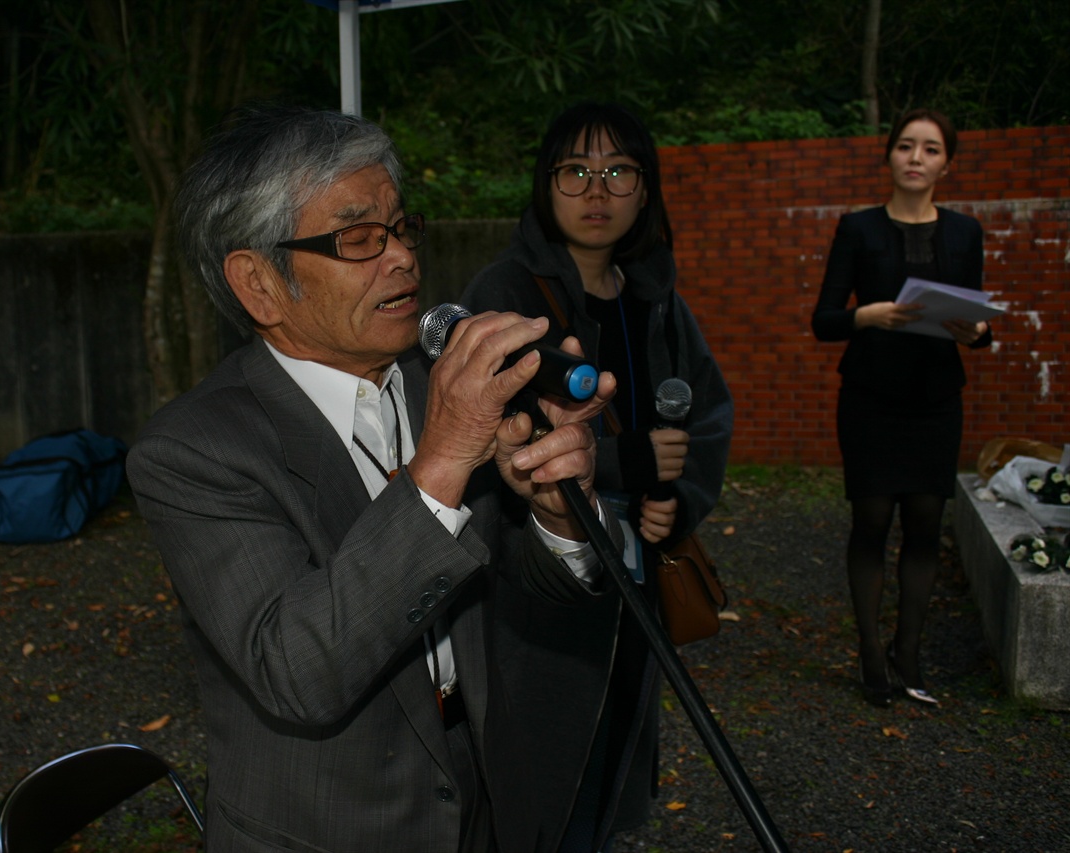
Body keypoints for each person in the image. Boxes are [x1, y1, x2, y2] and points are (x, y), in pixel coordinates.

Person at [127, 103, 623, 853]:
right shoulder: (194, 450)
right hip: (328, 829)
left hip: (485, 794)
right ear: (258, 283)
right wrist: (446, 457)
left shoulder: (436, 385)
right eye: (359, 237)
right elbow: (296, 669)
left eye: (400, 228)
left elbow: (512, 592)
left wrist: (561, 516)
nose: (401, 258)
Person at [462, 102, 733, 851]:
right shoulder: (505, 292)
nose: (596, 188)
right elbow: (485, 435)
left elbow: (708, 415)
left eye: (617, 171)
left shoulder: (655, 297)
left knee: (612, 746)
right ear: (545, 186)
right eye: (575, 170)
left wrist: (676, 501)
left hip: (635, 576)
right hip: (538, 574)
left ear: (644, 191)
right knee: (541, 764)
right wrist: (624, 461)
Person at [811, 108, 992, 708]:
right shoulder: (858, 228)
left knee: (924, 527)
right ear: (888, 156)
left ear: (946, 163)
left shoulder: (966, 233)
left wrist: (976, 333)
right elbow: (826, 319)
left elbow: (979, 320)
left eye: (931, 149)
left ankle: (908, 656)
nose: (916, 157)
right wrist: (870, 314)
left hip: (937, 399)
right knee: (870, 525)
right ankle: (870, 655)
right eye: (906, 146)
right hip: (869, 398)